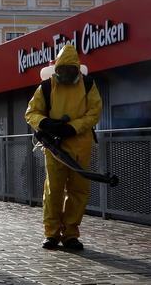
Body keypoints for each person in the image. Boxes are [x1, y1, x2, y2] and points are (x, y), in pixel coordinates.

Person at [25, 44, 102, 251]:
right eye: (63, 69)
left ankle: (70, 234)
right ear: (57, 69)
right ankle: (51, 234)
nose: (66, 74)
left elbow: (94, 112)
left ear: (76, 69)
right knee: (54, 191)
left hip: (80, 147)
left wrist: (73, 128)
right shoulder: (47, 87)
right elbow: (31, 112)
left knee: (78, 190)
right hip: (55, 148)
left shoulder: (87, 85)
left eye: (70, 69)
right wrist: (45, 123)